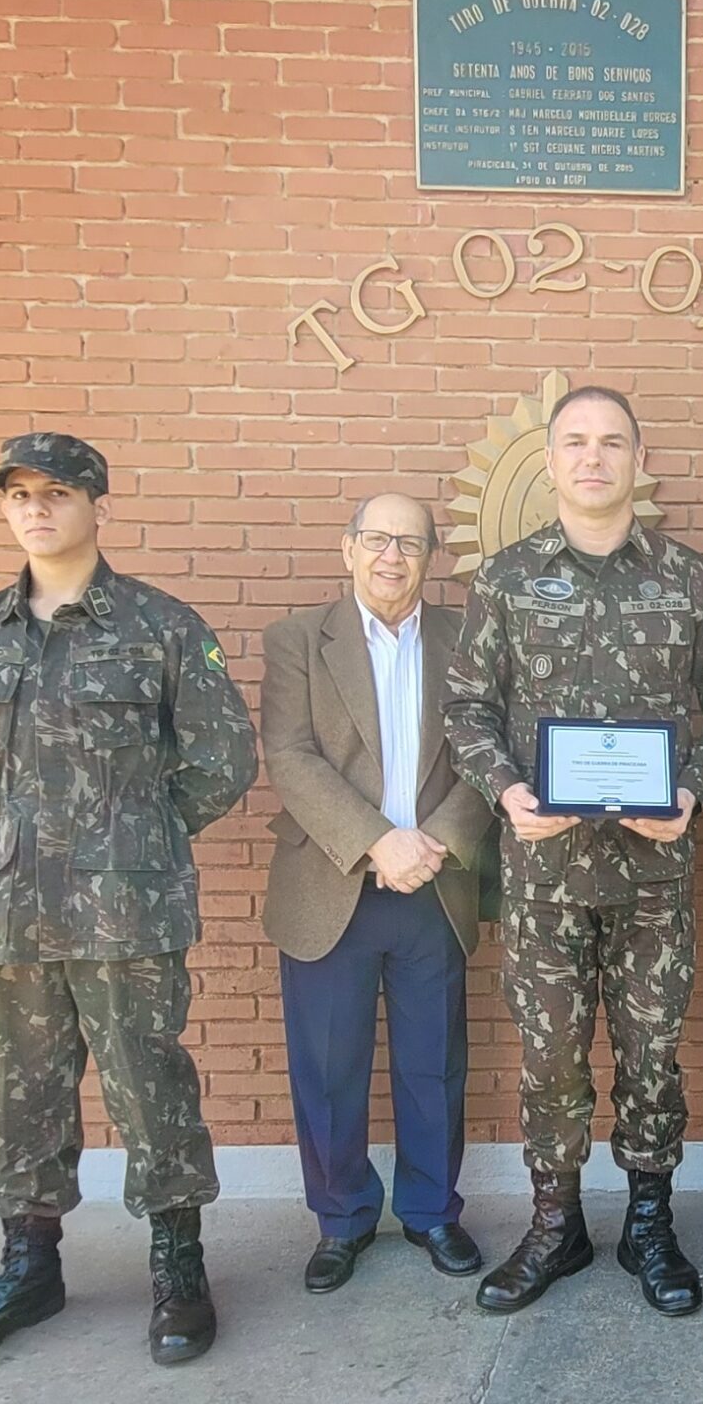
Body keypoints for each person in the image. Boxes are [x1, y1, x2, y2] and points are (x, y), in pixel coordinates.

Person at [0, 433, 256, 1371]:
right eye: (18, 493)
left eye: (56, 491)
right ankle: (30, 1266)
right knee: (20, 1090)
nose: (36, 508)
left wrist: (134, 840)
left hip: (126, 915)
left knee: (149, 1086)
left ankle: (179, 1267)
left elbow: (223, 759)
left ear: (96, 503)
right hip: (11, 912)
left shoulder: (161, 628)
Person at [443, 386, 703, 1317]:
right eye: (575, 443)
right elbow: (466, 710)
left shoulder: (688, 579)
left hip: (652, 876)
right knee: (549, 1061)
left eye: (612, 442)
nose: (593, 458)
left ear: (636, 461)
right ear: (551, 463)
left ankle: (651, 1227)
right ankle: (556, 1225)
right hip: (544, 876)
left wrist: (692, 791)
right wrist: (507, 791)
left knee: (652, 1056)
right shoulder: (505, 580)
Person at [259, 493, 496, 1294]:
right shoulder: (297, 641)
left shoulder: (464, 639)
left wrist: (434, 844)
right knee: (328, 1068)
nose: (392, 557)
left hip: (433, 882)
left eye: (411, 543)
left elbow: (488, 752)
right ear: (348, 547)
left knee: (434, 1065)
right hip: (332, 882)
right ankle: (343, 1218)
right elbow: (290, 757)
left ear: (431, 559)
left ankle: (432, 1212)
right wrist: (375, 841)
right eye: (377, 540)